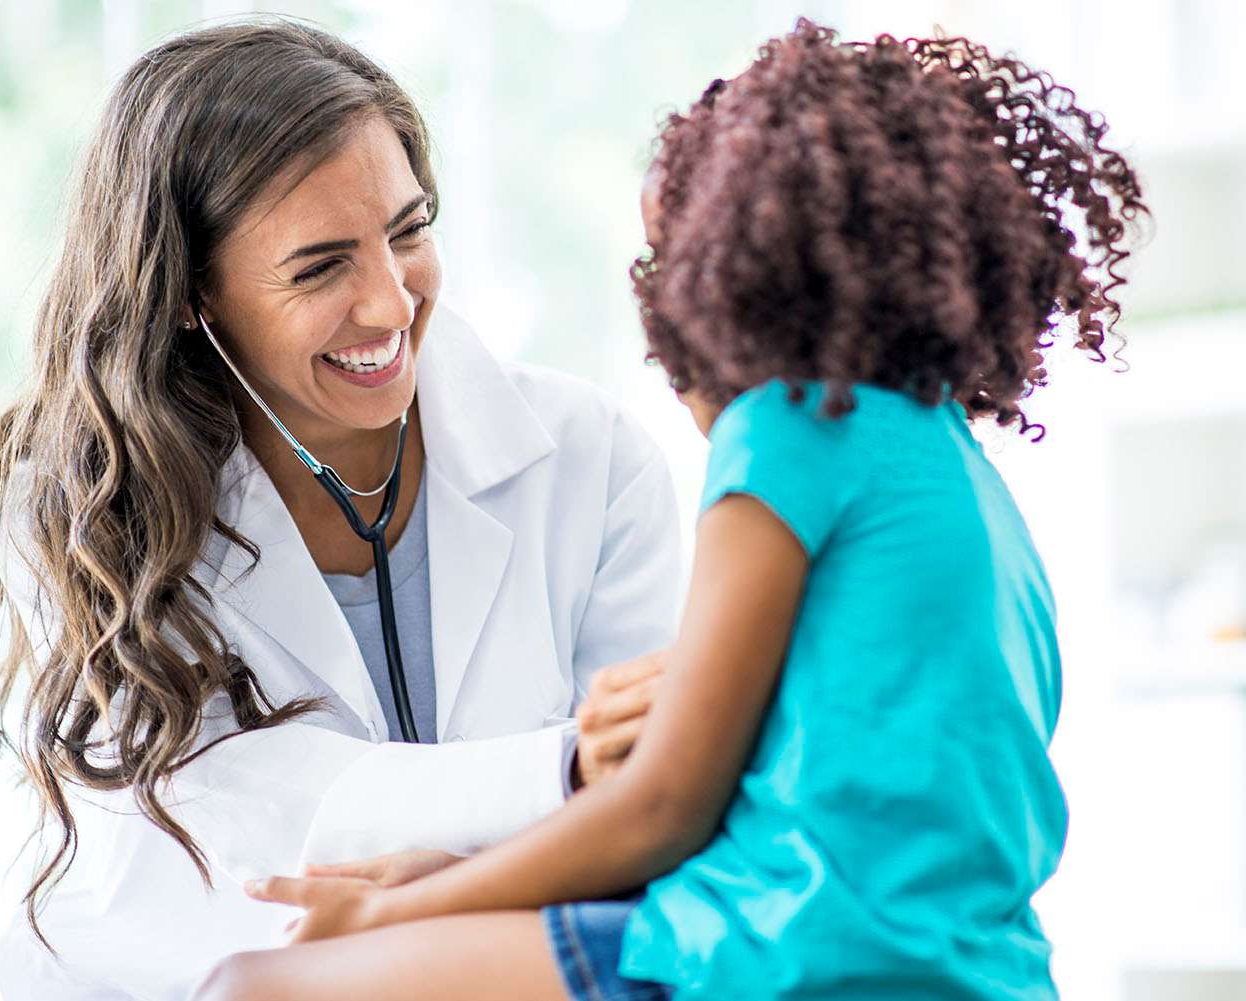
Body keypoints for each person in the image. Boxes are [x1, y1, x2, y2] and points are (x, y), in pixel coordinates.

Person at [197, 19, 1149, 1001]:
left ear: (734, 278)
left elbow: (663, 802)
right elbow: (807, 796)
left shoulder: (789, 433)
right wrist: (459, 877)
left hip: (784, 955)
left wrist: (397, 908)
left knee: (251, 986)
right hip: (965, 962)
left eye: (664, 268)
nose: (655, 314)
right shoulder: (953, 470)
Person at [0, 17, 680, 1000]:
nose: (391, 303)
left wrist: (459, 887)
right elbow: (227, 816)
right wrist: (555, 779)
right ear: (192, 293)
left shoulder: (590, 458)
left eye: (408, 231)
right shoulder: (87, 505)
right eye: (321, 266)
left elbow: (659, 802)